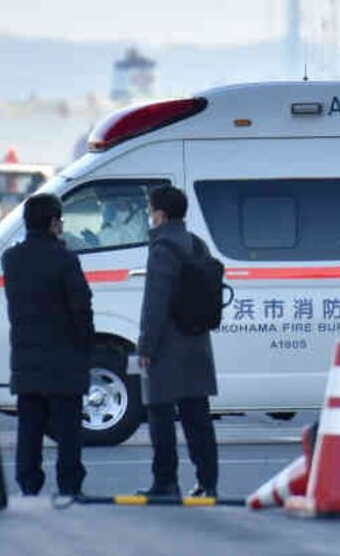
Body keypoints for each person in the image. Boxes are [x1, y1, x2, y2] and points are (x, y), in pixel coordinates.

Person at [1, 193, 93, 498]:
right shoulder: (65, 260)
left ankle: (29, 485)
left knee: (29, 429)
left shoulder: (11, 259)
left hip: (26, 359)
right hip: (64, 359)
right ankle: (69, 487)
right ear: (54, 222)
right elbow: (81, 307)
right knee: (68, 431)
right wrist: (85, 345)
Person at [136, 185, 219, 498]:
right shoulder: (197, 244)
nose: (149, 215)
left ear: (160, 214)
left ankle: (165, 482)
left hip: (167, 346)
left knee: (161, 417)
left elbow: (154, 304)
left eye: (150, 209)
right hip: (197, 342)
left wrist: (146, 346)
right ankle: (208, 483)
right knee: (198, 420)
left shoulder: (162, 249)